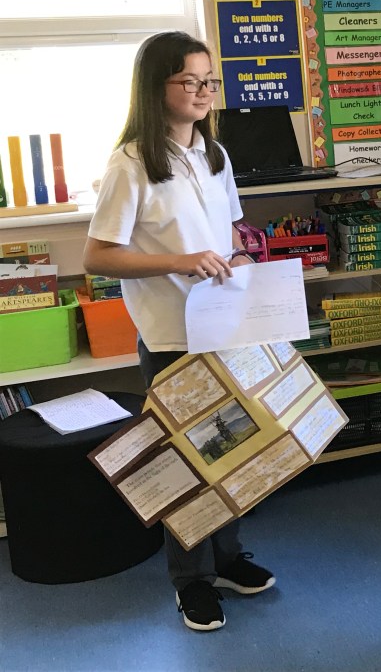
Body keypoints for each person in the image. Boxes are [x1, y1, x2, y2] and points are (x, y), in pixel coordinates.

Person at [84, 32, 275, 632]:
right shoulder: (131, 164)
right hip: (171, 335)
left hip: (224, 325)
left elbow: (230, 230)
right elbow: (98, 255)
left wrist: (237, 256)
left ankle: (228, 559)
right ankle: (190, 580)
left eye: (208, 81)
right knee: (188, 459)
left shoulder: (213, 154)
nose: (203, 91)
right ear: (156, 87)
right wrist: (180, 261)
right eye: (188, 81)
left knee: (233, 448)